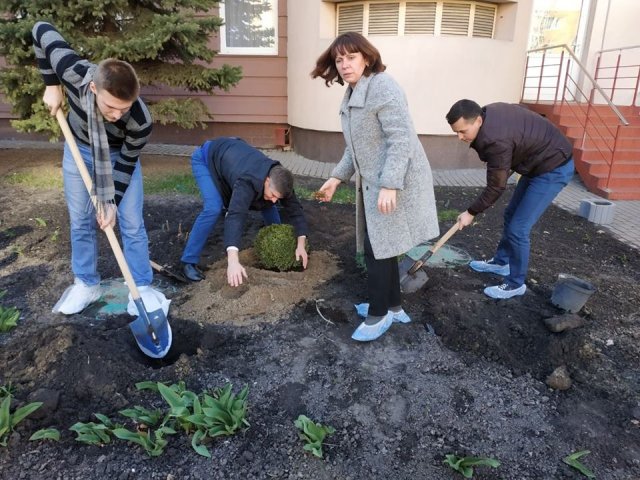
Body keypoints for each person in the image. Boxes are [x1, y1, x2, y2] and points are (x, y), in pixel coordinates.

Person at [33, 21, 169, 317]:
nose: (117, 114)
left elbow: (127, 164)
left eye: (124, 107)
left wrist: (111, 202)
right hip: (78, 150)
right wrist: (51, 85)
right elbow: (40, 29)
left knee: (131, 223)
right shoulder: (74, 72)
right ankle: (86, 284)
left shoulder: (140, 121)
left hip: (118, 156)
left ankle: (141, 287)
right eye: (111, 107)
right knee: (80, 220)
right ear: (94, 88)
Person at [311, 32, 439, 342]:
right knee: (384, 246)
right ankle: (393, 307)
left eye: (351, 57)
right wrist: (336, 178)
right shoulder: (353, 92)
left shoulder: (382, 86)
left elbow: (401, 138)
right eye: (339, 59)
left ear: (367, 58)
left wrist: (390, 184)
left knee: (377, 248)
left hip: (397, 181)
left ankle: (378, 315)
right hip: (378, 183)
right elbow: (356, 147)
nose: (344, 64)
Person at [446, 99, 575, 299]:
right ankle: (501, 262)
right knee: (510, 214)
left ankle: (516, 283)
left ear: (478, 120)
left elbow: (496, 186)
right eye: (456, 132)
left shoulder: (495, 141)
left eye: (463, 131)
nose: (460, 137)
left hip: (553, 168)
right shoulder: (489, 115)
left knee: (518, 228)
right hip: (537, 162)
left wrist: (471, 212)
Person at [180, 137, 309, 286]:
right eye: (273, 194)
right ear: (267, 180)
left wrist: (301, 243)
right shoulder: (247, 182)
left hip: (234, 158)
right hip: (207, 158)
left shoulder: (281, 179)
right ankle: (188, 262)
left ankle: (276, 240)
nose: (275, 200)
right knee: (213, 208)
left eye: (278, 197)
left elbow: (296, 211)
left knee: (268, 203)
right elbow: (236, 215)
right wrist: (233, 261)